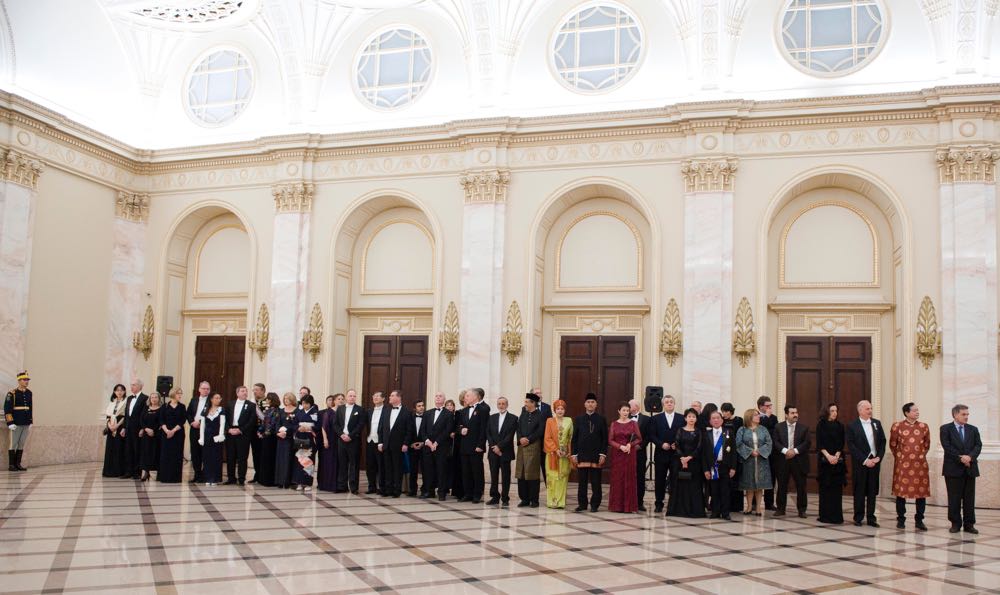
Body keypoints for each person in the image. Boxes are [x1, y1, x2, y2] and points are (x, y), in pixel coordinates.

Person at [940, 404, 981, 534]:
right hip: (953, 468)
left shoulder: (973, 429)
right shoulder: (945, 429)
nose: (966, 417)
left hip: (970, 468)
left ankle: (969, 524)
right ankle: (955, 523)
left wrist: (970, 457)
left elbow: (978, 445)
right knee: (954, 498)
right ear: (955, 414)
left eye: (967, 414)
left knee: (969, 498)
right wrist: (961, 458)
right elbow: (947, 446)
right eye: (964, 414)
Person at [890, 402, 930, 531]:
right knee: (901, 493)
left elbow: (927, 445)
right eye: (914, 410)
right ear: (907, 413)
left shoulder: (924, 426)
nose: (917, 412)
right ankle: (901, 519)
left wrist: (918, 456)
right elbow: (893, 444)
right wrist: (902, 457)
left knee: (921, 494)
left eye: (917, 410)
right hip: (903, 466)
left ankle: (919, 520)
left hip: (920, 466)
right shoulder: (897, 426)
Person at [846, 400, 886, 527]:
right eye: (867, 409)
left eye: (871, 408)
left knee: (872, 490)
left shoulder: (876, 423)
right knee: (859, 490)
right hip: (860, 463)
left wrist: (878, 457)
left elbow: (882, 442)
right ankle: (858, 517)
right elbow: (851, 445)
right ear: (860, 410)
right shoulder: (852, 426)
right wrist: (865, 460)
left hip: (874, 463)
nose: (870, 411)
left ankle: (871, 517)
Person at [773, 404, 810, 518]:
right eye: (792, 413)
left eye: (796, 413)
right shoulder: (778, 427)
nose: (795, 415)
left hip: (798, 460)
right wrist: (785, 451)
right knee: (782, 485)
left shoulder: (804, 428)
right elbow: (776, 442)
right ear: (786, 415)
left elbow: (807, 443)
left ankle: (802, 509)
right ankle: (780, 509)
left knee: (801, 486)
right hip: (783, 460)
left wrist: (794, 451)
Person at [572, 393, 607, 512]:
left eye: (592, 402)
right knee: (582, 482)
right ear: (585, 404)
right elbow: (574, 438)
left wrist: (603, 454)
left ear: (596, 404)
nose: (590, 404)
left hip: (596, 455)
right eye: (588, 402)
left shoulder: (601, 419)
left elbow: (604, 438)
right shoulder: (578, 419)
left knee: (596, 482)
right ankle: (582, 504)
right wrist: (574, 454)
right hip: (582, 454)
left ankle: (594, 504)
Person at [667, 408, 704, 518]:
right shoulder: (680, 430)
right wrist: (683, 458)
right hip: (679, 461)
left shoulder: (698, 431)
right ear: (685, 418)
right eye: (689, 416)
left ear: (696, 419)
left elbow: (699, 447)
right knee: (680, 485)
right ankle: (678, 510)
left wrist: (689, 457)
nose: (691, 418)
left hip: (694, 462)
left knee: (694, 486)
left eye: (693, 417)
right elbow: (677, 445)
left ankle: (694, 510)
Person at [651, 395, 684, 514]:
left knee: (675, 479)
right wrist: (661, 444)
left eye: (671, 402)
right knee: (659, 479)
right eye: (667, 402)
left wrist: (677, 444)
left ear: (674, 404)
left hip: (676, 454)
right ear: (663, 405)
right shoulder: (656, 418)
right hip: (661, 453)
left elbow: (684, 434)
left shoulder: (681, 418)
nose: (669, 404)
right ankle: (659, 503)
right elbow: (652, 435)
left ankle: (673, 504)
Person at [735, 408, 772, 516]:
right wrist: (750, 451)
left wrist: (760, 451)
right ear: (750, 417)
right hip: (748, 460)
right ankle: (749, 506)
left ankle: (759, 508)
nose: (758, 417)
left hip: (762, 460)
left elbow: (769, 443)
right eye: (756, 415)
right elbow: (738, 443)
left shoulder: (763, 429)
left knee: (760, 485)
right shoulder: (742, 430)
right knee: (749, 485)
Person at [377, 390, 413, 498]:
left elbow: (409, 430)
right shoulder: (386, 411)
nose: (389, 397)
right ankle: (388, 489)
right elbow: (381, 428)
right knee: (387, 468)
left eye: (392, 396)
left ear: (399, 398)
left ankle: (397, 490)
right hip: (386, 445)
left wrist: (406, 444)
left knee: (397, 468)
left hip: (399, 445)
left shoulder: (407, 412)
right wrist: (380, 442)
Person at [702, 410, 737, 520]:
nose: (716, 420)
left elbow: (734, 452)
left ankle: (725, 512)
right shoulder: (706, 434)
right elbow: (703, 454)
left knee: (725, 490)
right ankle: (715, 512)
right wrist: (706, 470)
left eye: (718, 418)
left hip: (725, 466)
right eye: (713, 418)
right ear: (710, 421)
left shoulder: (728, 433)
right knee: (714, 490)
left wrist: (733, 467)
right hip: (712, 467)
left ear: (722, 420)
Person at [816, 403, 846, 525]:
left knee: (836, 489)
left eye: (836, 410)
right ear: (827, 411)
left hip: (837, 461)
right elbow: (820, 443)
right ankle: (825, 516)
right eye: (832, 410)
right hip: (825, 460)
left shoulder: (840, 425)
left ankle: (836, 517)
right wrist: (828, 456)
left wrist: (836, 456)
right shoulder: (821, 425)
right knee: (825, 488)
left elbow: (841, 443)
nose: (835, 413)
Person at [609, 402, 641, 513]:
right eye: (624, 410)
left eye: (627, 411)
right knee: (618, 478)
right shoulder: (614, 424)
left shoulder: (633, 423)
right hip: (617, 455)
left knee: (629, 478)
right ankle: (616, 506)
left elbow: (639, 439)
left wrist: (629, 445)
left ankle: (629, 506)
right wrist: (620, 446)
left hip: (629, 454)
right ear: (619, 411)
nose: (626, 413)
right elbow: (610, 440)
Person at [421, 392, 454, 501]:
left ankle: (441, 492)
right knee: (428, 469)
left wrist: (436, 443)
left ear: (444, 399)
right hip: (428, 446)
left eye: (440, 396)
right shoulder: (427, 413)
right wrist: (428, 442)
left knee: (441, 469)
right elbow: (422, 430)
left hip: (441, 446)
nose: (438, 397)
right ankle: (429, 491)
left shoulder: (448, 414)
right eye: (436, 396)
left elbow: (447, 430)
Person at [457, 389, 487, 503]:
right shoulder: (464, 411)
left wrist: (480, 445)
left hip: (476, 446)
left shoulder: (483, 410)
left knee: (476, 471)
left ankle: (477, 494)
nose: (465, 398)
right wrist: (461, 429)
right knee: (466, 471)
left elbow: (483, 429)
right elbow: (458, 426)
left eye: (468, 396)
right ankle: (467, 493)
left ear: (475, 397)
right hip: (464, 446)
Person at [486, 396, 517, 506]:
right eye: (499, 404)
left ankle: (505, 498)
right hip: (493, 451)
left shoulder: (513, 418)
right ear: (497, 405)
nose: (501, 406)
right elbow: (488, 433)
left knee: (505, 476)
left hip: (505, 452)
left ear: (507, 405)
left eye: (503, 403)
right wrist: (494, 447)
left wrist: (500, 447)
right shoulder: (492, 417)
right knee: (494, 475)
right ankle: (494, 496)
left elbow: (510, 436)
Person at [515, 393, 545, 508]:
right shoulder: (523, 414)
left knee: (532, 475)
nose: (525, 404)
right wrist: (521, 438)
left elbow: (540, 430)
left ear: (533, 403)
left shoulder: (540, 415)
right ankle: (524, 499)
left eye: (527, 402)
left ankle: (534, 500)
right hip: (522, 447)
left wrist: (528, 439)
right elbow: (518, 428)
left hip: (533, 446)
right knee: (521, 473)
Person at [543, 399, 573, 509]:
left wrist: (567, 451)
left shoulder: (569, 421)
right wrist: (556, 450)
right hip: (552, 454)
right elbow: (547, 438)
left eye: (562, 409)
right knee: (552, 477)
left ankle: (561, 502)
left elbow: (570, 437)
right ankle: (552, 502)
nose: (560, 411)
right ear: (554, 410)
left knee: (562, 477)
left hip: (564, 455)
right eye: (558, 409)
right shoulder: (549, 421)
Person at [225, 386, 256, 486]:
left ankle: (241, 478)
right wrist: (228, 429)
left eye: (246, 391)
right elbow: (224, 418)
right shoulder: (230, 404)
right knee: (230, 457)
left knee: (242, 457)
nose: (245, 393)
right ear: (237, 393)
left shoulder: (251, 405)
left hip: (243, 434)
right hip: (230, 433)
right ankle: (231, 478)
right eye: (243, 391)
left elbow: (252, 421)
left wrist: (240, 430)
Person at [334, 389, 363, 494]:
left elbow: (360, 425)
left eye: (354, 396)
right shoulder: (340, 409)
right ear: (346, 397)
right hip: (341, 440)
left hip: (353, 440)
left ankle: (354, 487)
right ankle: (342, 486)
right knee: (342, 463)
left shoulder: (360, 410)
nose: (352, 397)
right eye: (350, 395)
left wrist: (350, 436)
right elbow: (335, 424)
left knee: (353, 464)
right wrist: (341, 435)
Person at [4, 371, 33, 472]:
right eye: (24, 380)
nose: (26, 381)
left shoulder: (29, 393)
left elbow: (30, 408)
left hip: (25, 422)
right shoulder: (12, 393)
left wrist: (30, 421)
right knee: (13, 444)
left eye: (27, 380)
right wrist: (10, 423)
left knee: (21, 443)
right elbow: (7, 409)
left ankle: (18, 464)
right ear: (19, 381)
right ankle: (11, 465)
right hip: (16, 422)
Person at [157, 387, 186, 483]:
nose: (180, 395)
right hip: (166, 433)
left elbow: (182, 421)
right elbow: (161, 420)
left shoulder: (182, 407)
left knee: (176, 455)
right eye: (179, 393)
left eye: (181, 393)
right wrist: (167, 431)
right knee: (166, 455)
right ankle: (165, 477)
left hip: (178, 434)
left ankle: (175, 478)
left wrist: (173, 431)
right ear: (173, 394)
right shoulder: (164, 406)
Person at [122, 378, 149, 479]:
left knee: (137, 449)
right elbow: (126, 414)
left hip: (138, 429)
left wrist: (142, 428)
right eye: (131, 385)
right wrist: (124, 427)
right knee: (128, 450)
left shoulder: (145, 398)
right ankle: (128, 471)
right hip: (129, 429)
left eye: (134, 385)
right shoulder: (129, 398)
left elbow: (144, 415)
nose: (131, 387)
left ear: (140, 386)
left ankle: (137, 472)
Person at [186, 381, 211, 483]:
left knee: (205, 452)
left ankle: (205, 475)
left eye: (207, 389)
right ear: (199, 389)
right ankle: (197, 474)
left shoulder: (211, 401)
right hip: (194, 429)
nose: (206, 390)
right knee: (195, 452)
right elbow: (188, 413)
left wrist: (200, 422)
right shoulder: (194, 400)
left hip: (205, 429)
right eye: (204, 388)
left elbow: (210, 414)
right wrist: (192, 422)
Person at [720, 403, 744, 512]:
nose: (724, 413)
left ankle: (737, 506)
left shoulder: (739, 420)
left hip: (736, 451)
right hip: (725, 451)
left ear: (731, 411)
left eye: (726, 411)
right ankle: (725, 504)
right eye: (723, 411)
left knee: (736, 480)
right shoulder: (721, 420)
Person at [198, 393, 226, 486]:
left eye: (219, 398)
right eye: (216, 398)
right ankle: (207, 477)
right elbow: (202, 425)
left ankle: (215, 478)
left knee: (216, 457)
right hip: (207, 436)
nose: (218, 399)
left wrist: (221, 435)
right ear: (211, 399)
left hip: (216, 437)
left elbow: (222, 424)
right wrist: (201, 437)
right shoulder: (206, 409)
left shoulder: (221, 410)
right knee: (207, 457)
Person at [293, 394, 319, 492]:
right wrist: (298, 428)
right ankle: (299, 482)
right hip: (300, 437)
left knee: (309, 460)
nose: (304, 405)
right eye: (303, 403)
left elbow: (318, 426)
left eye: (306, 403)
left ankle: (308, 482)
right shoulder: (299, 413)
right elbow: (294, 424)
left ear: (311, 403)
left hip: (310, 437)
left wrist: (310, 428)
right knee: (300, 459)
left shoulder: (315, 413)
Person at [629, 399, 652, 511]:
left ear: (636, 407)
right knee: (628, 476)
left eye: (630, 405)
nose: (627, 407)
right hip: (626, 453)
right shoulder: (625, 417)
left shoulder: (646, 419)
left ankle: (639, 503)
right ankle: (628, 501)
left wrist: (641, 445)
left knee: (640, 478)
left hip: (640, 453)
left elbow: (648, 435)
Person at [756, 396, 778, 510]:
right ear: (760, 406)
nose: (770, 408)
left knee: (771, 477)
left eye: (771, 405)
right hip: (758, 451)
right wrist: (767, 418)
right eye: (767, 406)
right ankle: (754, 503)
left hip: (771, 452)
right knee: (756, 476)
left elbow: (773, 433)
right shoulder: (755, 416)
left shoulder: (774, 418)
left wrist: (769, 418)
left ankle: (769, 503)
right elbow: (760, 432)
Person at [318, 393, 343, 493]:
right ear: (334, 401)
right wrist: (325, 439)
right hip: (330, 439)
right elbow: (324, 427)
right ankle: (327, 485)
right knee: (329, 461)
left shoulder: (343, 411)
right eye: (338, 399)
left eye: (342, 399)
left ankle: (337, 485)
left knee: (338, 462)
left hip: (339, 439)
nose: (341, 400)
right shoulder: (329, 412)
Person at [102, 384, 128, 478]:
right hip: (111, 427)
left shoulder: (126, 401)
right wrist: (110, 426)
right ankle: (109, 471)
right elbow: (108, 416)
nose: (119, 392)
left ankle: (118, 471)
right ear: (114, 392)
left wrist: (117, 426)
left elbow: (125, 416)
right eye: (117, 390)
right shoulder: (112, 402)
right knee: (110, 449)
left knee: (119, 448)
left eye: (121, 390)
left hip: (120, 427)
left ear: (124, 391)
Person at [274, 393, 299, 489]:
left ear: (292, 399)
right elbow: (277, 423)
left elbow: (296, 425)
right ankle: (280, 481)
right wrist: (278, 432)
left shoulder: (297, 411)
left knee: (289, 459)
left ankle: (288, 481)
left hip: (290, 439)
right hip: (281, 439)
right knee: (280, 459)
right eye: (284, 398)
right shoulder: (281, 411)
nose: (286, 400)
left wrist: (287, 432)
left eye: (288, 399)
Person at [256, 392, 281, 487]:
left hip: (271, 438)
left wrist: (264, 434)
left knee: (270, 458)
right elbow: (264, 423)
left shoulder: (276, 411)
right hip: (266, 437)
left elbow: (272, 425)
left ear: (271, 400)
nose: (266, 401)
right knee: (264, 458)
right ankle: (263, 479)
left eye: (267, 399)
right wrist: (259, 431)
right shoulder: (268, 410)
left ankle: (269, 480)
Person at [365, 392, 386, 495]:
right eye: (374, 396)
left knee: (381, 466)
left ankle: (381, 487)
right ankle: (371, 486)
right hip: (370, 441)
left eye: (378, 396)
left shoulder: (387, 411)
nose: (375, 398)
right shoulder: (369, 411)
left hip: (380, 442)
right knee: (370, 466)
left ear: (383, 399)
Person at [137, 392, 162, 481]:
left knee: (156, 453)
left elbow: (161, 421)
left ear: (159, 399)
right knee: (146, 453)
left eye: (156, 397)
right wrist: (146, 429)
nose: (154, 399)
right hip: (146, 435)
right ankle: (146, 473)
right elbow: (141, 419)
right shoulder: (146, 408)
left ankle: (158, 474)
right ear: (150, 399)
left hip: (157, 435)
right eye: (152, 397)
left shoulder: (162, 409)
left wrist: (153, 430)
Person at [248, 383, 266, 484]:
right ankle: (256, 474)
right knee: (255, 453)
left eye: (256, 390)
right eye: (253, 390)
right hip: (253, 430)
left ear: (263, 390)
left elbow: (266, 417)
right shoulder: (251, 402)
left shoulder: (267, 402)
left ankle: (262, 475)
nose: (254, 392)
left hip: (263, 431)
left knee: (263, 453)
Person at [446, 398, 463, 499]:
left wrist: (454, 433)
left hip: (454, 443)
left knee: (453, 465)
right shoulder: (443, 416)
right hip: (445, 443)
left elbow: (458, 427)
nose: (449, 407)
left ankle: (452, 486)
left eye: (451, 405)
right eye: (447, 405)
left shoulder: (457, 415)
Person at [408, 400, 426, 497]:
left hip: (424, 447)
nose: (421, 407)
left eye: (423, 405)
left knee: (425, 470)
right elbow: (407, 432)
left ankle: (424, 489)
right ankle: (412, 490)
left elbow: (429, 431)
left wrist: (423, 443)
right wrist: (411, 444)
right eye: (419, 406)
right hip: (412, 447)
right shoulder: (410, 417)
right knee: (413, 470)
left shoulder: (428, 416)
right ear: (415, 408)